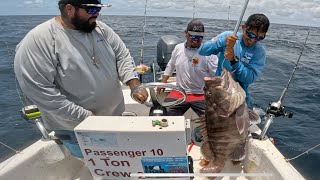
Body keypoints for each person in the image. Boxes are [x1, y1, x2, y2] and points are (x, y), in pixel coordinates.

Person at [14, 0, 148, 157]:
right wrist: (87, 117)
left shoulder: (101, 29)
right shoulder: (39, 40)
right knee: (95, 165)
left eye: (98, 9)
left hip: (113, 120)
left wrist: (134, 84)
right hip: (77, 130)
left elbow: (122, 55)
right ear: (69, 9)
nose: (97, 14)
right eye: (91, 9)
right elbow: (40, 91)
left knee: (118, 162)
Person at [198, 13, 270, 106]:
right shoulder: (228, 36)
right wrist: (222, 41)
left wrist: (233, 60)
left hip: (239, 100)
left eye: (259, 37)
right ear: (243, 27)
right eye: (251, 35)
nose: (253, 40)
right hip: (217, 95)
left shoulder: (259, 52)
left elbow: (249, 78)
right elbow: (202, 51)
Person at [158, 19, 218, 117]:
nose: (196, 39)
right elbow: (170, 66)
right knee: (164, 116)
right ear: (185, 33)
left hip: (202, 95)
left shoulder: (209, 53)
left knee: (212, 120)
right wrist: (163, 83)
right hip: (180, 92)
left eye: (199, 37)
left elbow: (217, 76)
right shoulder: (178, 48)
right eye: (193, 35)